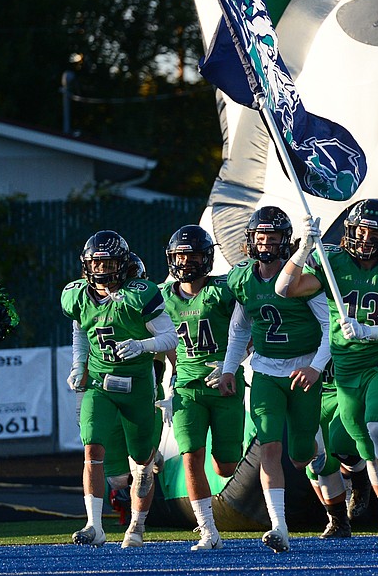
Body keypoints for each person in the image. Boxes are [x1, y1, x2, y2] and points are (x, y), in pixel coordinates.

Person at [274, 199, 378, 559]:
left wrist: (369, 330)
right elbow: (284, 289)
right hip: (346, 371)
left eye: (373, 232)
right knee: (360, 447)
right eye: (360, 230)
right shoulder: (333, 261)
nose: (365, 238)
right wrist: (303, 248)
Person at [221, 206, 331, 554]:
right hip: (267, 370)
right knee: (269, 445)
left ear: (287, 241)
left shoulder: (301, 278)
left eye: (273, 237)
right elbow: (240, 328)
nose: (265, 244)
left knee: (300, 456)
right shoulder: (241, 278)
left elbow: (330, 327)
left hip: (304, 371)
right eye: (260, 237)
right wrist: (228, 368)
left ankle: (319, 446)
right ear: (250, 240)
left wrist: (315, 366)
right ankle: (279, 526)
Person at [62, 230, 177, 548]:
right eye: (96, 263)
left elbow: (171, 339)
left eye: (108, 262)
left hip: (138, 385)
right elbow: (80, 331)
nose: (101, 269)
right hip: (100, 384)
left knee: (142, 462)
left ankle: (137, 527)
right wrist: (78, 366)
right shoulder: (77, 296)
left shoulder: (140, 293)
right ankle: (94, 526)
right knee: (92, 449)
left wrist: (141, 345)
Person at [159, 224, 242, 551]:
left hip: (224, 386)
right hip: (187, 389)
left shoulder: (223, 291)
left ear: (206, 258)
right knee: (191, 455)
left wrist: (231, 364)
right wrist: (167, 384)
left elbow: (248, 330)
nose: (186, 262)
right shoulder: (162, 296)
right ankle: (208, 530)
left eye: (192, 255)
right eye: (180, 255)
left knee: (226, 465)